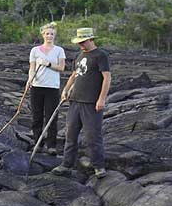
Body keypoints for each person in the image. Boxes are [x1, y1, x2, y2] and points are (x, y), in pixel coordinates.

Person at [52, 27, 112, 178]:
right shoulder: (79, 55)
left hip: (91, 103)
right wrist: (65, 90)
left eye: (83, 42)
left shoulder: (101, 55)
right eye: (79, 42)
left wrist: (102, 98)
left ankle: (98, 166)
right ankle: (66, 164)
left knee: (93, 136)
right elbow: (74, 75)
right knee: (70, 135)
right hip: (75, 101)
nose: (81, 45)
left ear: (91, 39)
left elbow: (107, 77)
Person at [27, 22, 65, 155]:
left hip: (52, 88)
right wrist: (29, 80)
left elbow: (61, 68)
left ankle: (51, 146)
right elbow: (32, 68)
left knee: (51, 117)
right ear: (43, 34)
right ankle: (38, 143)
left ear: (55, 36)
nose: (50, 36)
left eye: (52, 34)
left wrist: (47, 64)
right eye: (47, 33)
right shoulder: (35, 51)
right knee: (36, 117)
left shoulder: (59, 50)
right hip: (37, 87)